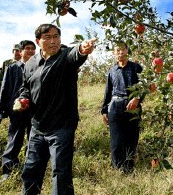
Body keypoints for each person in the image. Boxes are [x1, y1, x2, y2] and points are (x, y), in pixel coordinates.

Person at [16, 23, 96, 195]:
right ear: (38, 41)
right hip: (37, 128)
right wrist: (23, 99)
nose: (53, 41)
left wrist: (83, 48)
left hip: (62, 127)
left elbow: (77, 54)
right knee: (31, 171)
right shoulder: (30, 63)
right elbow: (25, 87)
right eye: (48, 37)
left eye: (56, 37)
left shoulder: (65, 56)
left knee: (61, 174)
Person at [101, 41, 143, 174]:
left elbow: (145, 85)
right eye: (117, 50)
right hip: (115, 106)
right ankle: (117, 169)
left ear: (127, 50)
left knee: (131, 138)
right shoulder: (112, 70)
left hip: (132, 106)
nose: (120, 53)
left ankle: (129, 169)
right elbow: (108, 91)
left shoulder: (136, 68)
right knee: (116, 140)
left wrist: (137, 98)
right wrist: (104, 110)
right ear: (114, 53)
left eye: (122, 49)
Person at [0, 40, 36, 180]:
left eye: (33, 49)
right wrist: (2, 109)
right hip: (16, 111)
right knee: (14, 139)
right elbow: (5, 89)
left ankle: (29, 168)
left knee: (33, 140)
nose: (31, 51)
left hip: (35, 111)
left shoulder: (39, 67)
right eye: (27, 49)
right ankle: (7, 170)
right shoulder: (12, 68)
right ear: (20, 51)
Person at [0, 44, 22, 139]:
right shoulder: (7, 63)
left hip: (16, 94)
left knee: (15, 117)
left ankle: (11, 138)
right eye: (15, 50)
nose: (17, 52)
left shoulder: (25, 63)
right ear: (13, 52)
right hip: (5, 92)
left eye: (19, 50)